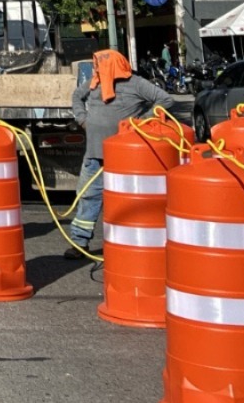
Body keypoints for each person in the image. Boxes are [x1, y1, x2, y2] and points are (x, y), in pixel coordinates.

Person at [67, 49, 174, 260]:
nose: (95, 67)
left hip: (125, 159)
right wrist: (83, 120)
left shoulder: (136, 83)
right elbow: (77, 97)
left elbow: (165, 100)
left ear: (112, 64)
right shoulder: (95, 82)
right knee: (88, 197)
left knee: (129, 203)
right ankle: (79, 243)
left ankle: (130, 243)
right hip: (95, 154)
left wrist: (142, 122)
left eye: (99, 63)